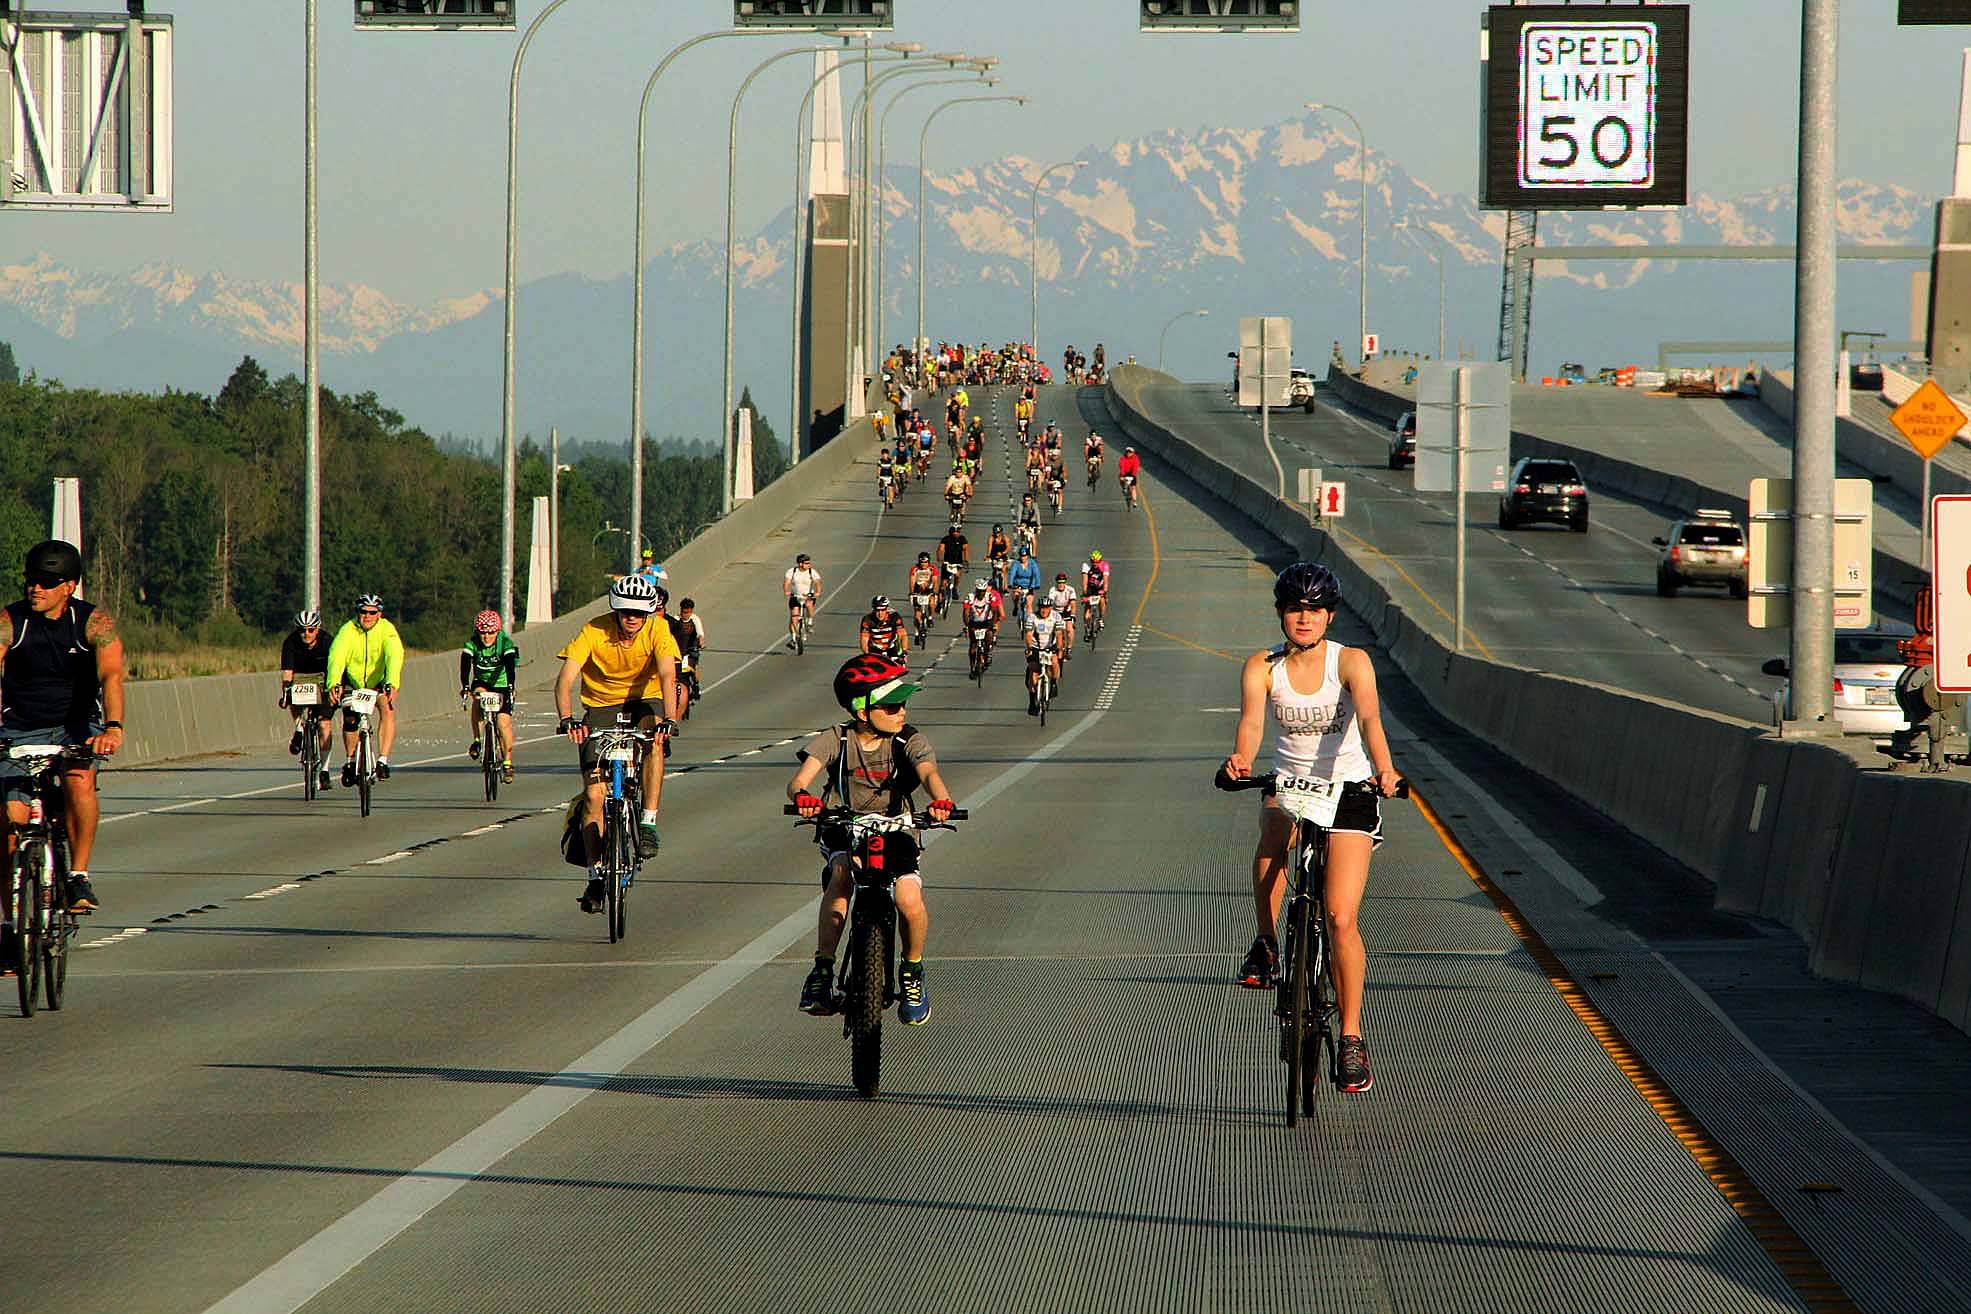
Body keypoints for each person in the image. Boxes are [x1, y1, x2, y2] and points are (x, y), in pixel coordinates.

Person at [1222, 563, 1401, 1095]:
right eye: (1295, 608)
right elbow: (1253, 720)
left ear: (1329, 615)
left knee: (1342, 916)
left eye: (1314, 609)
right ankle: (1267, 941)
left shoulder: (1351, 661)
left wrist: (1385, 769)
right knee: (1273, 834)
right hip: (1292, 786)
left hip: (1346, 789)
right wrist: (1241, 757)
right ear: (1281, 613)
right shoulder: (1262, 666)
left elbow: (1369, 719)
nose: (1304, 618)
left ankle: (1351, 1037)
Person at [789, 654, 957, 1024]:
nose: (901, 711)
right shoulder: (837, 738)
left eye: (904, 704)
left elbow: (928, 773)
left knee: (909, 898)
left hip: (897, 826)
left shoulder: (908, 738)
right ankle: (822, 971)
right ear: (862, 710)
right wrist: (803, 797)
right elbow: (801, 779)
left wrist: (941, 801)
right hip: (844, 824)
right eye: (892, 705)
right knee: (841, 877)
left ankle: (912, 971)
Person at [0, 540, 125, 913]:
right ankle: (10, 929)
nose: (34, 588)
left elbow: (112, 674)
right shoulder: (10, 621)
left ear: (69, 586)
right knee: (10, 825)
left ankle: (78, 875)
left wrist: (113, 728)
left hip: (76, 725)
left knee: (79, 781)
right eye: (31, 580)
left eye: (46, 581)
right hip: (21, 726)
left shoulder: (93, 622)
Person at [555, 574, 680, 910]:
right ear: (616, 609)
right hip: (601, 705)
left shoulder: (658, 631)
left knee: (653, 740)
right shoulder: (594, 630)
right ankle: (595, 878)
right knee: (595, 796)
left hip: (646, 700)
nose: (632, 619)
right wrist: (567, 719)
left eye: (639, 613)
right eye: (626, 612)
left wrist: (669, 719)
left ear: (648, 613)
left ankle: (648, 821)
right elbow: (567, 677)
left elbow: (669, 674)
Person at [327, 593, 405, 784]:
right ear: (357, 612)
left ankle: (383, 760)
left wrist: (392, 683)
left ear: (379, 614)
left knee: (386, 708)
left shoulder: (387, 629)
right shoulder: (348, 630)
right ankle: (351, 760)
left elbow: (395, 655)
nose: (367, 616)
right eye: (363, 612)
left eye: (372, 612)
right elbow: (336, 657)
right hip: (352, 682)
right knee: (350, 717)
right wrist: (334, 684)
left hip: (378, 681)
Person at [459, 610, 520, 783]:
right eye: (482, 632)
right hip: (482, 681)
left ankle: (507, 762)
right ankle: (477, 740)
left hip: (502, 684)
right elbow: (465, 663)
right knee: (478, 698)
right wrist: (464, 685)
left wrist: (511, 686)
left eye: (491, 633)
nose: (486, 637)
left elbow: (510, 665)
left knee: (502, 722)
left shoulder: (505, 643)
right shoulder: (473, 644)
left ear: (498, 631)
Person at [280, 609, 334, 790]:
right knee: (290, 695)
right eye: (302, 630)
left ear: (317, 629)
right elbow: (287, 673)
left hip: (322, 679)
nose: (306, 634)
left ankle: (324, 770)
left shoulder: (328, 642)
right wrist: (286, 692)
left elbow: (336, 667)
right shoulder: (290, 642)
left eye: (311, 630)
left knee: (324, 724)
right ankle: (299, 728)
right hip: (300, 678)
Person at [1023, 593, 1066, 716]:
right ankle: (1032, 701)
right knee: (1033, 672)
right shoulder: (1032, 618)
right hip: (1036, 647)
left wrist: (1058, 649)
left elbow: (1058, 634)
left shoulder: (1056, 617)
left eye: (1046, 608)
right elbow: (1029, 635)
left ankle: (1053, 683)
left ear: (1050, 608)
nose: (1044, 610)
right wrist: (1029, 648)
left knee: (1054, 661)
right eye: (1042, 608)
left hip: (1050, 647)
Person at [784, 553, 821, 648]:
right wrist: (787, 591)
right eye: (807, 563)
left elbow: (817, 582)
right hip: (795, 596)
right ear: (800, 564)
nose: (809, 565)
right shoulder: (792, 571)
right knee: (794, 618)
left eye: (809, 563)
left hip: (807, 595)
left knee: (809, 604)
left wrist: (817, 592)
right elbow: (787, 582)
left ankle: (809, 622)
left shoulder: (811, 572)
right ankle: (793, 638)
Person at [936, 522, 969, 608]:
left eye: (957, 531)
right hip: (947, 562)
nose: (956, 533)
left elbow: (966, 549)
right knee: (943, 583)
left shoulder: (962, 539)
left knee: (957, 575)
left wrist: (966, 560)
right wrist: (940, 558)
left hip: (957, 563)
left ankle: (955, 588)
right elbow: (941, 549)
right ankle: (939, 602)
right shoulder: (946, 539)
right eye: (954, 531)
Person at [1045, 571, 1079, 655]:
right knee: (1054, 629)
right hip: (1056, 611)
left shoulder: (1070, 589)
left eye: (1062, 582)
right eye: (1059, 583)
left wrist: (1073, 616)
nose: (1061, 584)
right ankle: (1053, 644)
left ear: (1065, 583)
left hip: (1067, 611)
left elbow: (1073, 603)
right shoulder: (1053, 590)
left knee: (1069, 629)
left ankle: (1069, 647)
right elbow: (1050, 603)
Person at [906, 553, 939, 637]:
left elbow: (935, 581)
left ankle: (930, 617)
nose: (923, 564)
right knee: (917, 613)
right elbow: (912, 581)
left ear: (928, 562)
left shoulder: (933, 568)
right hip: (918, 591)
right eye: (922, 562)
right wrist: (912, 593)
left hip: (929, 590)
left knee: (932, 603)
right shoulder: (915, 569)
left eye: (925, 562)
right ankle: (917, 632)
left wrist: (935, 592)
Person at [1007, 543, 1042, 619]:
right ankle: (1016, 606)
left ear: (1028, 556)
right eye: (1021, 556)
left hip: (1029, 586)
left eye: (1025, 556)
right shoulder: (1016, 563)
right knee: (1016, 595)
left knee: (1029, 604)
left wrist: (1037, 584)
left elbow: (1036, 574)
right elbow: (1012, 573)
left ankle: (1030, 621)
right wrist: (1010, 583)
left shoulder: (1032, 563)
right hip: (1018, 585)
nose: (1023, 558)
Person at [1080, 549, 1111, 628]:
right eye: (1093, 562)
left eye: (1097, 562)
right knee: (1087, 607)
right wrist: (1085, 593)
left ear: (1100, 561)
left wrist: (1104, 591)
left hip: (1099, 588)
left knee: (1102, 601)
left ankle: (1100, 618)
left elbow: (1106, 580)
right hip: (1090, 588)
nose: (1095, 564)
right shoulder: (1086, 565)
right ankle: (1086, 626)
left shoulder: (1105, 565)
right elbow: (1084, 581)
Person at [985, 524, 1012, 589]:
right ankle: (994, 583)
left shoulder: (1005, 538)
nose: (997, 534)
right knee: (995, 568)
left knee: (1004, 570)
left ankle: (1005, 588)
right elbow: (990, 547)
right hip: (994, 556)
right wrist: (988, 556)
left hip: (1003, 555)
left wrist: (1003, 553)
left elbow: (1008, 548)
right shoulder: (991, 538)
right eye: (995, 532)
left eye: (998, 532)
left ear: (1001, 532)